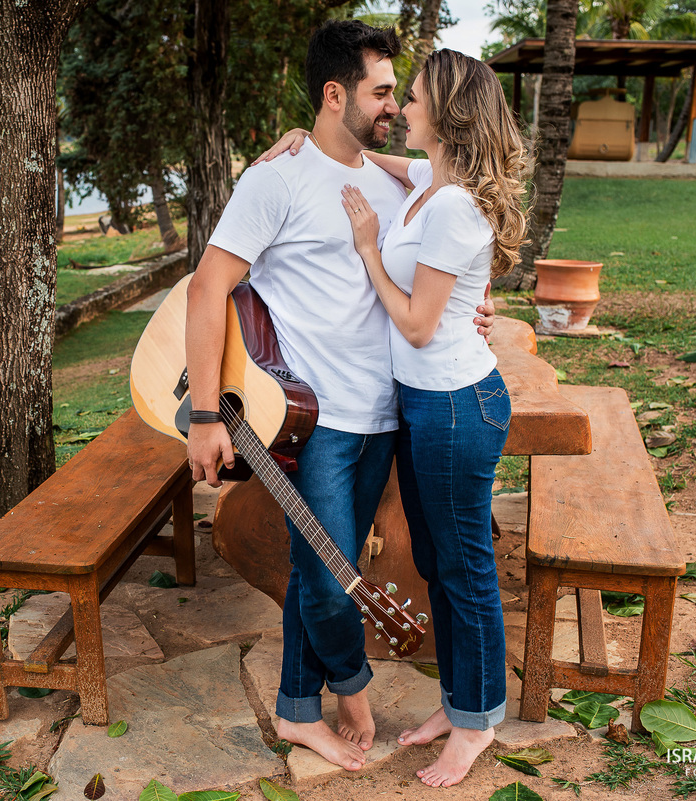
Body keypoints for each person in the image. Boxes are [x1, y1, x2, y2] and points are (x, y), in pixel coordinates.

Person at [186, 22, 494, 773]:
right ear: (335, 95)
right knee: (326, 581)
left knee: (321, 562)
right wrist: (201, 412)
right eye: (381, 91)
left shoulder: (400, 179)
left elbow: (445, 256)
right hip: (317, 417)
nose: (394, 104)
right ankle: (349, 689)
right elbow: (207, 286)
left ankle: (297, 713)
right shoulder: (275, 179)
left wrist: (473, 308)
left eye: (399, 94)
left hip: (394, 410)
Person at [265, 49, 531, 787]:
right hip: (427, 406)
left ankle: (475, 723)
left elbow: (416, 325)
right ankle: (458, 700)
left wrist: (369, 252)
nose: (399, 110)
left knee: (465, 567)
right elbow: (377, 158)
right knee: (439, 566)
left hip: (454, 407)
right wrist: (302, 138)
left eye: (409, 99)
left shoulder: (449, 205)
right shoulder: (428, 181)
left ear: (443, 114)